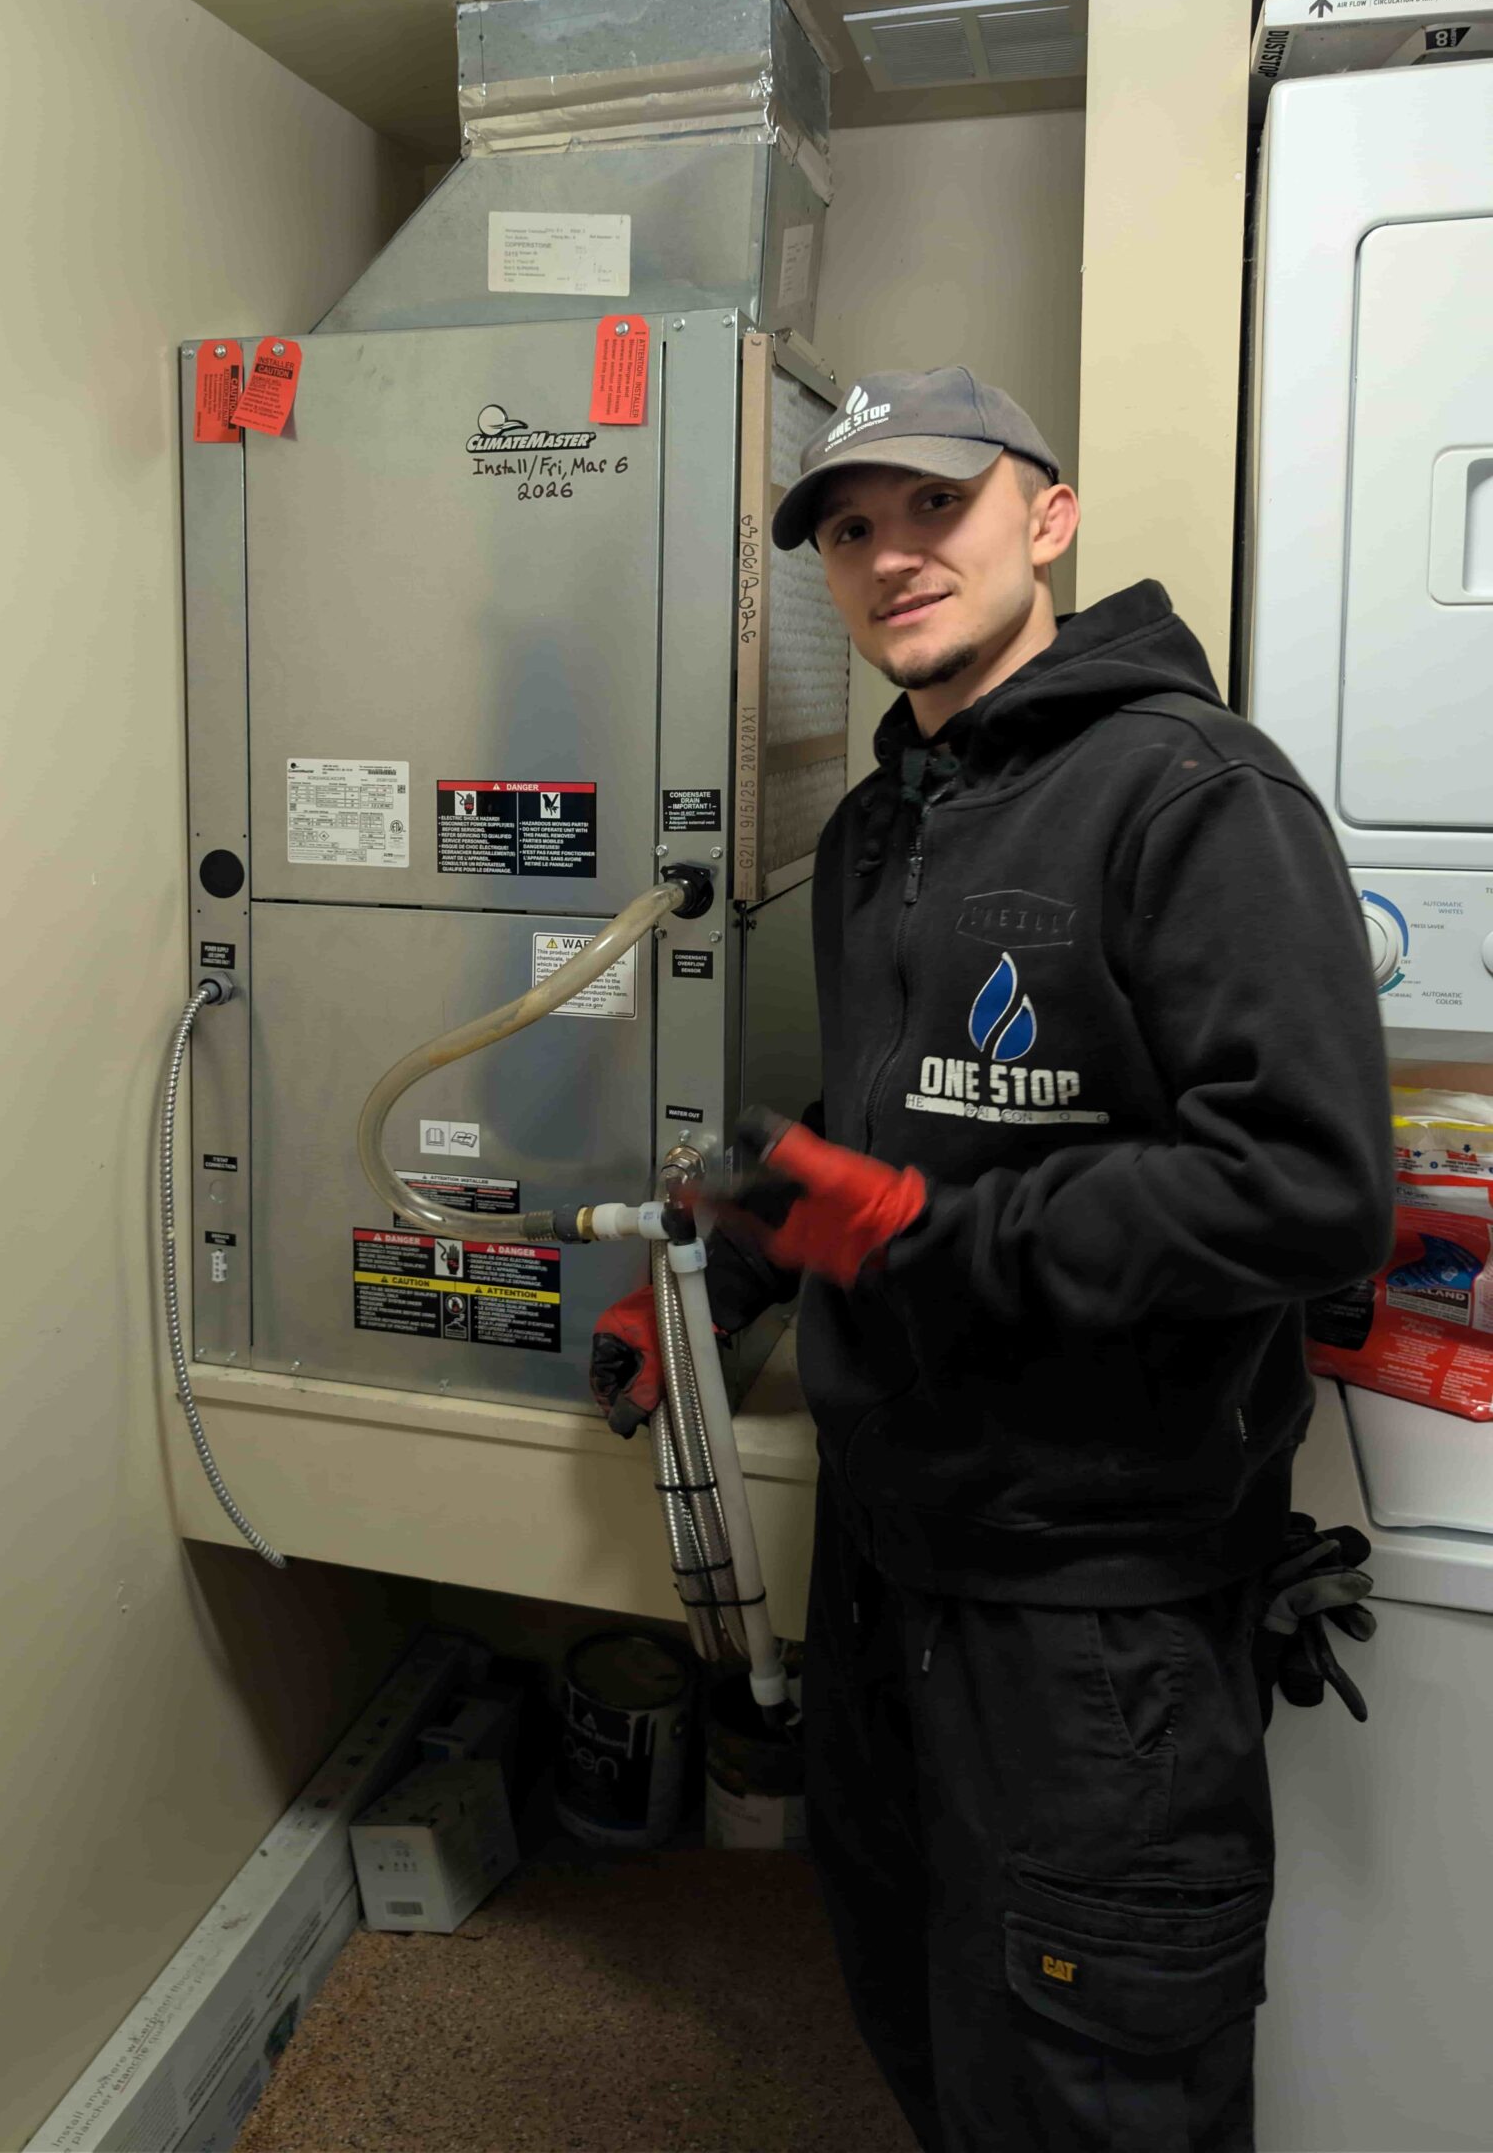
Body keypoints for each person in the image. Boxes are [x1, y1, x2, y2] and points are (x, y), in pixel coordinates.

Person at [590, 367, 1393, 2153]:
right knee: (928, 2023)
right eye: (849, 533)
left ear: (1049, 515)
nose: (890, 559)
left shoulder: (1190, 793)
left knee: (1093, 2087)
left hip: (1090, 1604)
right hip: (884, 1567)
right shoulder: (889, 823)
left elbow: (1311, 1183)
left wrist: (930, 1236)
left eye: (934, 508)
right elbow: (883, 1117)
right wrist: (724, 1287)